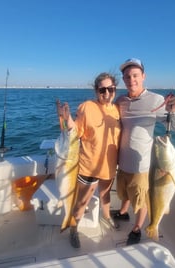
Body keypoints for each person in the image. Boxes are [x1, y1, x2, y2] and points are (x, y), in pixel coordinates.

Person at [113, 58, 175, 245]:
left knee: (140, 199)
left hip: (142, 164)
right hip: (122, 161)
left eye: (136, 75)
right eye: (127, 76)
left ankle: (137, 228)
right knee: (125, 193)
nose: (132, 80)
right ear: (123, 79)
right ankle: (122, 213)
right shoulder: (120, 100)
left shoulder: (156, 100)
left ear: (143, 76)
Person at [58, 72, 121, 248]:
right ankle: (73, 228)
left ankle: (107, 217)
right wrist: (66, 118)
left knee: (105, 196)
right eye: (102, 90)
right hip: (88, 166)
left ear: (115, 89)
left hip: (109, 165)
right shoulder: (86, 107)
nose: (107, 93)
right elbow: (75, 131)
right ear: (96, 91)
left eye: (110, 89)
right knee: (81, 202)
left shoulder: (117, 109)